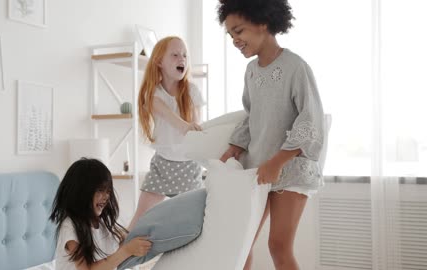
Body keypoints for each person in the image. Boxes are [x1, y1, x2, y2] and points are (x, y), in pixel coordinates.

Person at [217, 0, 325, 269]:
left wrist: (278, 161)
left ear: (263, 22)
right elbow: (250, 114)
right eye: (230, 35)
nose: (234, 40)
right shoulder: (251, 71)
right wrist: (235, 146)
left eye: (238, 31)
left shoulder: (295, 67)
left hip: (289, 170)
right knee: (240, 243)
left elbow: (311, 118)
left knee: (278, 246)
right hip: (259, 169)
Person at [128, 36, 205, 230]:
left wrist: (191, 128)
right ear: (159, 61)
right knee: (140, 218)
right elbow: (163, 111)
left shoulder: (192, 91)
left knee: (192, 222)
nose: (182, 59)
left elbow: (196, 126)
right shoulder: (153, 93)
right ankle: (120, 255)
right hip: (162, 165)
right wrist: (184, 126)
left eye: (185, 55)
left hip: (189, 167)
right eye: (175, 55)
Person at [50, 158, 152, 270]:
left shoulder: (102, 223)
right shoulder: (69, 227)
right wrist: (127, 250)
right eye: (100, 190)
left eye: (108, 191)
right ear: (81, 192)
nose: (106, 196)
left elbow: (118, 249)